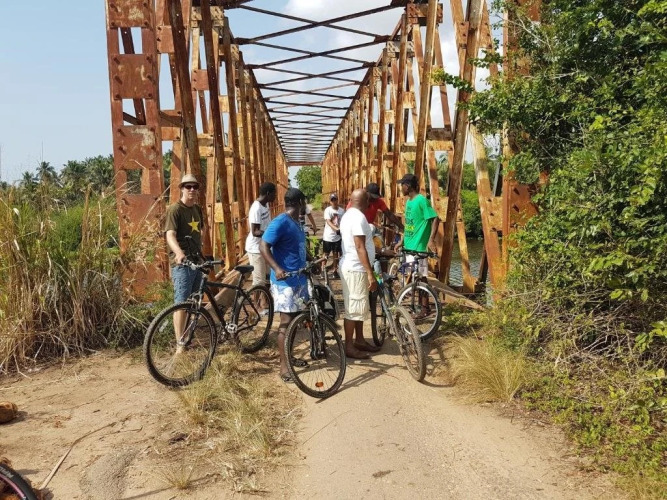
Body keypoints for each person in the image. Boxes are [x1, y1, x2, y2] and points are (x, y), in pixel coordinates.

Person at [260, 188, 310, 382]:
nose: (306, 206)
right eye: (304, 202)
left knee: (295, 321)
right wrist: (277, 268)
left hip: (299, 279)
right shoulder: (280, 221)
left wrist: (311, 260)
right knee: (286, 322)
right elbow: (263, 246)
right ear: (299, 203)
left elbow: (298, 247)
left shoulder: (297, 222)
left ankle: (289, 356)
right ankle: (283, 367)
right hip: (285, 282)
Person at [164, 173, 205, 350]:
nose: (192, 190)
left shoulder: (197, 209)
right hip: (183, 264)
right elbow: (170, 235)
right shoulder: (175, 210)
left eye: (195, 187)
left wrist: (202, 250)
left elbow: (202, 230)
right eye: (188, 186)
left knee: (193, 302)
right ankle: (180, 344)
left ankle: (187, 337)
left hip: (197, 261)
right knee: (181, 303)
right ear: (181, 188)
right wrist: (179, 253)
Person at [339, 188, 380, 359]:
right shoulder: (358, 218)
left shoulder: (348, 215)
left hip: (354, 267)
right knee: (353, 309)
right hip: (356, 268)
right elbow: (359, 247)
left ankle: (360, 340)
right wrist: (370, 273)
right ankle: (349, 346)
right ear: (365, 202)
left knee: (359, 307)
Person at [394, 173, 439, 315]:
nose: (401, 188)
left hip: (419, 246)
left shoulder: (421, 200)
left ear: (408, 186)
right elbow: (409, 225)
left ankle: (425, 308)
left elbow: (435, 218)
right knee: (414, 276)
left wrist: (431, 240)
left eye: (402, 185)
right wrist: (401, 241)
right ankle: (419, 306)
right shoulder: (409, 202)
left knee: (421, 277)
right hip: (409, 246)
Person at [245, 182, 277, 308]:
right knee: (259, 280)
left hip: (264, 247)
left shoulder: (266, 204)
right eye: (274, 193)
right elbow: (255, 231)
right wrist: (271, 235)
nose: (275, 196)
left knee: (267, 276)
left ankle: (264, 303)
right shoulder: (256, 208)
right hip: (255, 249)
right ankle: (256, 307)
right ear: (268, 193)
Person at [322, 193, 344, 277]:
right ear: (330, 202)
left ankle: (335, 270)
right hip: (328, 236)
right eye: (332, 200)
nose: (334, 201)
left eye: (335, 199)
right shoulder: (328, 210)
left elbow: (343, 221)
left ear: (338, 200)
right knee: (326, 254)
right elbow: (328, 221)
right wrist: (336, 229)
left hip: (337, 237)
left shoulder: (341, 211)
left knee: (336, 253)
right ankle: (323, 269)